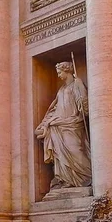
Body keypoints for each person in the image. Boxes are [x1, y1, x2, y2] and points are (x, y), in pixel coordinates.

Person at [35, 62, 92, 190]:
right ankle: (66, 179)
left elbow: (83, 101)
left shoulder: (77, 83)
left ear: (67, 71)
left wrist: (83, 106)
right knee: (60, 154)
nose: (59, 75)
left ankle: (86, 176)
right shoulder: (61, 89)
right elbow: (55, 107)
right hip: (59, 124)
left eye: (60, 72)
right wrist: (46, 122)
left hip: (73, 123)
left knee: (76, 150)